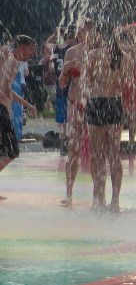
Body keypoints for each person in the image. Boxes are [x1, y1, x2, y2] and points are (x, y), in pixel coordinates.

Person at [84, 25, 133, 212]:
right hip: (114, 103)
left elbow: (87, 81)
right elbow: (125, 84)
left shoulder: (93, 55)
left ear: (100, 36)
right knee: (115, 154)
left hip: (97, 103)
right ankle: (115, 201)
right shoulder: (125, 57)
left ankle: (98, 199)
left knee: (97, 155)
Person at [58, 19, 94, 206]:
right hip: (75, 102)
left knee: (97, 150)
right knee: (73, 149)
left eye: (86, 30)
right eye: (80, 30)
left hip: (94, 104)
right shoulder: (71, 52)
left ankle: (98, 194)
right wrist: (65, 71)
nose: (82, 34)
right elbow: (62, 84)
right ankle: (69, 192)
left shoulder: (99, 53)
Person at [0, 36, 38, 199]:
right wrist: (26, 104)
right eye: (30, 49)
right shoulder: (13, 61)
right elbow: (5, 89)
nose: (31, 54)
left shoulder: (7, 58)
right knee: (11, 151)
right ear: (21, 47)